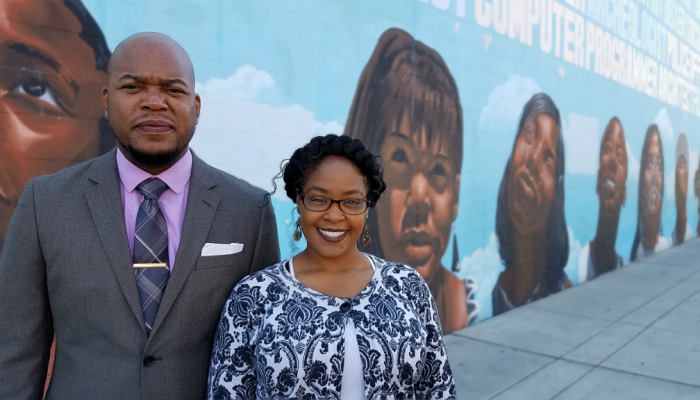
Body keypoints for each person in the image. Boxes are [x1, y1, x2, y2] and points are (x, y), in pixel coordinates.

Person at [0, 33, 280, 400]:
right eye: (132, 87)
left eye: (173, 90)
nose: (154, 102)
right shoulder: (45, 203)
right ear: (106, 100)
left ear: (196, 106)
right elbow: (15, 352)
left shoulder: (248, 209)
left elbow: (260, 351)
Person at [208, 134, 455, 399]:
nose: (334, 215)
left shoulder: (407, 285)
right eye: (318, 199)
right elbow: (228, 391)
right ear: (298, 202)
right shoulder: (254, 295)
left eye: (351, 201)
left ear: (367, 207)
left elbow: (437, 387)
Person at [344, 27, 476, 333]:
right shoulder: (333, 303)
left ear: (455, 196)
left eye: (438, 170)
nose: (420, 196)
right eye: (401, 157)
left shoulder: (463, 304)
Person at [492, 93, 570, 316]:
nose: (534, 161)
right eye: (529, 134)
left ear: (556, 194)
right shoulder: (491, 294)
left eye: (548, 162)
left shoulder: (563, 292)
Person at [578, 118, 627, 282]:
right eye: (607, 149)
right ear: (598, 182)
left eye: (620, 156)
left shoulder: (622, 263)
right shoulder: (581, 262)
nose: (613, 160)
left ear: (625, 195)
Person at [630, 125, 669, 261]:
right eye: (649, 163)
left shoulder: (665, 244)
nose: (654, 176)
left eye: (659, 165)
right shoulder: (633, 254)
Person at [670, 132, 692, 245]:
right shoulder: (668, 240)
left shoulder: (691, 231)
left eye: (683, 170)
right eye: (679, 169)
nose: (681, 169)